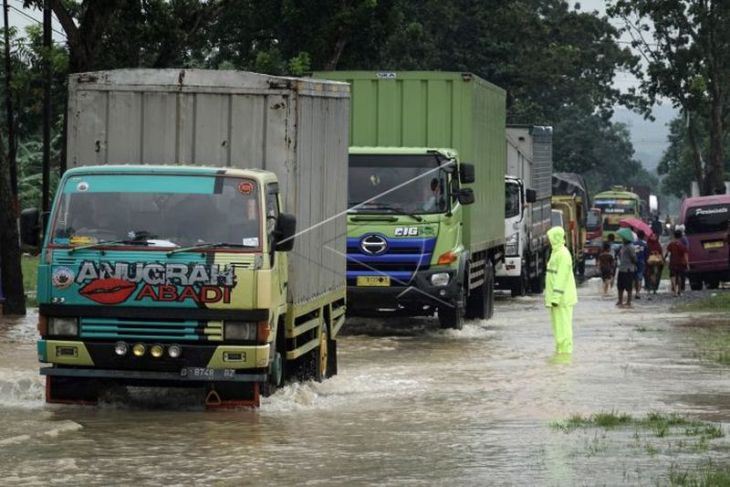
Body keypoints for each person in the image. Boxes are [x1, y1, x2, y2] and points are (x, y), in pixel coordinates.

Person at [544, 226, 578, 355]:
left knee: (563, 329)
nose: (548, 240)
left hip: (562, 300)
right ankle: (560, 354)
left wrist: (555, 298)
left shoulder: (563, 254)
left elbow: (561, 278)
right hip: (557, 299)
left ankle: (565, 355)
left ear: (556, 238)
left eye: (550, 237)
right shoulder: (556, 253)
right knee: (558, 329)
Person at [665, 229, 689, 297]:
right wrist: (687, 264)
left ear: (674, 236)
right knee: (679, 277)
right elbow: (685, 255)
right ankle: (679, 291)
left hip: (673, 262)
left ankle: (674, 291)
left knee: (673, 276)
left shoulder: (671, 244)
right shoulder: (683, 245)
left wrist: (664, 259)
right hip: (681, 262)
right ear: (681, 236)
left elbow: (667, 252)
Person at [616, 233, 637, 307]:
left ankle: (629, 302)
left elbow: (634, 258)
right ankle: (620, 301)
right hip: (622, 268)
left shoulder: (631, 247)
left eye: (624, 238)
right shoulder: (623, 246)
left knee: (628, 286)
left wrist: (633, 262)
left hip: (628, 269)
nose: (623, 239)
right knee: (620, 286)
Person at [633, 230, 648, 299]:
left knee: (634, 277)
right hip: (642, 262)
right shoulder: (645, 244)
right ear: (643, 236)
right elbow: (646, 255)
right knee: (639, 277)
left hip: (634, 262)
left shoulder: (633, 243)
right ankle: (638, 292)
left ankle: (634, 291)